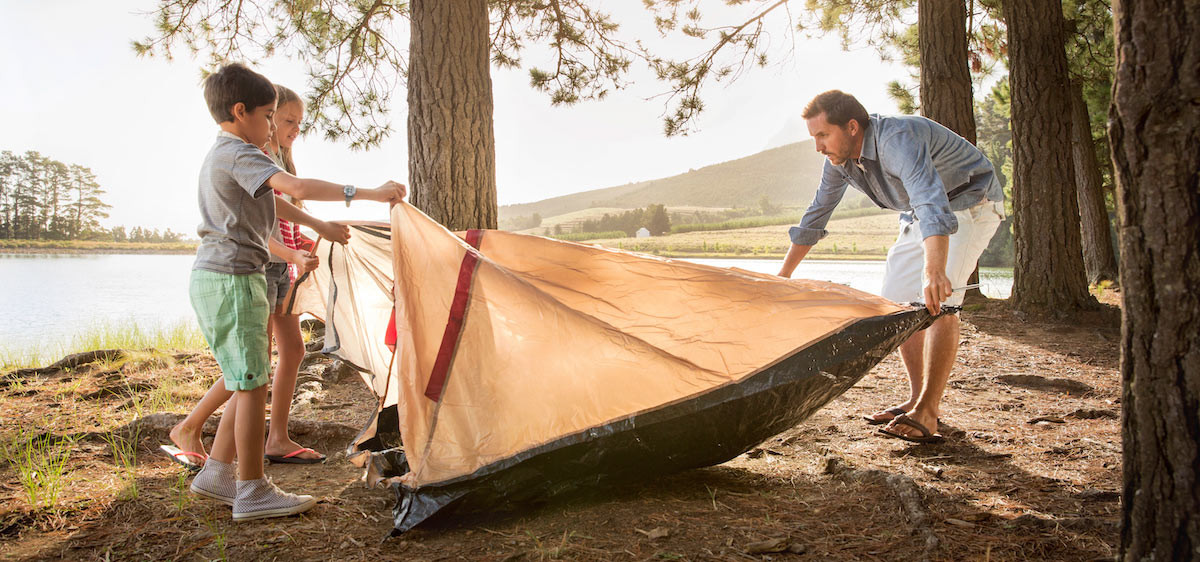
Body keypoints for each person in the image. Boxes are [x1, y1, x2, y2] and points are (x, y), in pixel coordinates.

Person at [183, 62, 404, 520]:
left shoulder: (226, 154)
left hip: (226, 277)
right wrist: (369, 192)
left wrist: (320, 224)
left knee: (247, 378)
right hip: (234, 279)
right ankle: (252, 489)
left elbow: (276, 200)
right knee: (251, 384)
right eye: (268, 116)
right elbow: (297, 186)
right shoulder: (240, 152)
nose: (271, 125)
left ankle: (217, 475)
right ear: (240, 111)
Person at [777, 90, 1004, 444]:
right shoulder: (839, 162)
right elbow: (817, 214)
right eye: (814, 138)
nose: (818, 147)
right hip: (919, 213)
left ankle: (928, 412)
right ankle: (915, 400)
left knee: (942, 303)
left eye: (823, 135)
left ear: (852, 127)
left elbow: (932, 202)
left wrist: (934, 270)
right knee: (899, 303)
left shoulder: (898, 140)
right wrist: (783, 277)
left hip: (970, 202)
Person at [163, 84, 341, 468]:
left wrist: (311, 238)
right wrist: (293, 250)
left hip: (280, 268)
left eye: (298, 123)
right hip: (258, 267)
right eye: (286, 120)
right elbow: (260, 226)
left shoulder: (280, 157)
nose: (293, 128)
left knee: (286, 352)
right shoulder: (249, 156)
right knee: (250, 368)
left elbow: (284, 215)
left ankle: (270, 440)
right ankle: (208, 445)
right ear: (264, 116)